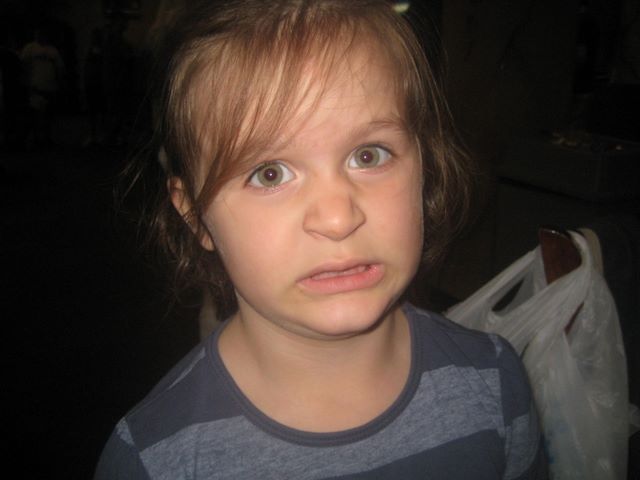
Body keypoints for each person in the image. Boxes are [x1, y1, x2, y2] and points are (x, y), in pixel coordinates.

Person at [95, 1, 548, 478]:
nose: (337, 218)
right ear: (197, 218)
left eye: (369, 155)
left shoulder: (495, 385)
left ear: (425, 167)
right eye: (270, 173)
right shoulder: (156, 460)